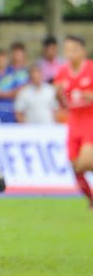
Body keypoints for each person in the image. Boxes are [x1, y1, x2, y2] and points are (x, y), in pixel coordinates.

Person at [53, 35, 93, 208]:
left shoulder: (91, 69)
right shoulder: (62, 72)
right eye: (67, 50)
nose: (70, 54)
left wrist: (88, 96)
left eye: (74, 50)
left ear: (83, 51)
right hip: (73, 121)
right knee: (75, 167)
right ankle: (91, 199)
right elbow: (61, 101)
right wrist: (58, 93)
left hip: (89, 120)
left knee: (85, 162)